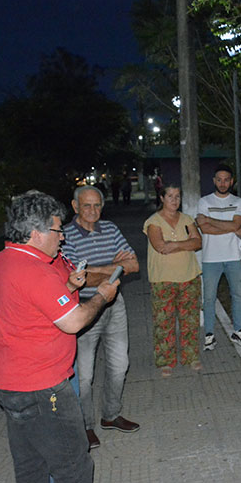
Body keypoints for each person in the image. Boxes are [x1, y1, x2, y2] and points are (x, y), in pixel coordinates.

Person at [0, 191, 122, 483]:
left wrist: (69, 285)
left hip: (5, 383)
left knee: (30, 462)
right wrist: (101, 296)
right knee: (73, 462)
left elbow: (33, 308)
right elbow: (73, 322)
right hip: (42, 387)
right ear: (35, 233)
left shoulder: (0, 262)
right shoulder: (34, 271)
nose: (62, 238)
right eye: (57, 231)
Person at [62, 186, 140, 450]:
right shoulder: (65, 236)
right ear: (75, 207)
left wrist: (94, 270)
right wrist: (115, 268)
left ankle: (111, 415)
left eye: (97, 205)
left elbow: (134, 265)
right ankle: (85, 426)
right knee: (83, 375)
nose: (93, 211)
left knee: (120, 365)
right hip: (83, 310)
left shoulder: (111, 229)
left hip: (114, 304)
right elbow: (77, 278)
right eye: (87, 206)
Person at [143, 184, 203, 374]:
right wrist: (186, 244)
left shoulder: (186, 219)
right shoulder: (153, 222)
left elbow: (198, 242)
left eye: (177, 196)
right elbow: (160, 246)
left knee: (189, 320)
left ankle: (191, 357)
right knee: (164, 321)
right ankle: (166, 361)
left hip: (189, 277)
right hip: (163, 279)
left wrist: (175, 244)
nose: (174, 200)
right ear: (162, 198)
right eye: (170, 196)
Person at [196, 164, 241, 350]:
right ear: (214, 181)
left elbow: (235, 225)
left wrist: (210, 220)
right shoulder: (204, 201)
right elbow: (204, 229)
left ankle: (238, 330)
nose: (222, 183)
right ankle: (209, 335)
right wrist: (232, 228)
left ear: (232, 181)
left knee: (238, 295)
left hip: (234, 257)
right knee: (209, 297)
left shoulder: (239, 202)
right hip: (210, 258)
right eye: (219, 179)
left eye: (226, 179)